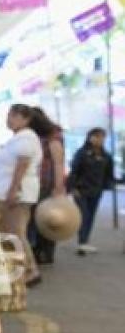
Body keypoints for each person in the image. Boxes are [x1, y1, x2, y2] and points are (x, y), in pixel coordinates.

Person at [0, 104, 43, 286]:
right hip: (9, 192)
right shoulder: (18, 138)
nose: (9, 119)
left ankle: (30, 270)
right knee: (12, 233)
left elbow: (22, 165)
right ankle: (20, 270)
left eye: (13, 116)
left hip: (17, 194)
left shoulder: (27, 138)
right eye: (9, 115)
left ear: (25, 119)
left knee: (16, 233)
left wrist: (13, 191)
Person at [27, 107, 66, 264]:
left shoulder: (52, 136)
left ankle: (46, 253)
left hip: (47, 184)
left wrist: (58, 187)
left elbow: (58, 163)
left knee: (47, 218)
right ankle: (39, 250)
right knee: (39, 218)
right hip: (39, 182)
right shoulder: (41, 136)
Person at [68, 127, 114, 255]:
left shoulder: (106, 156)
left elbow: (108, 174)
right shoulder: (81, 153)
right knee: (84, 215)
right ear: (90, 137)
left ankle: (84, 242)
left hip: (96, 190)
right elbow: (74, 171)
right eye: (97, 136)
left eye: (102, 137)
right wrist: (72, 187)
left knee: (91, 216)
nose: (100, 139)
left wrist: (107, 186)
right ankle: (82, 242)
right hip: (81, 190)